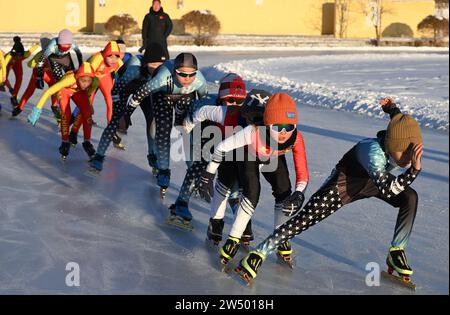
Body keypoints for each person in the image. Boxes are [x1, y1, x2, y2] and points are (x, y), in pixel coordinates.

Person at [235, 98, 423, 284]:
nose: (408, 159)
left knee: (410, 197)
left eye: (410, 153)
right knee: (302, 221)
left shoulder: (398, 137)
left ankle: (396, 251)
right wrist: (413, 171)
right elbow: (389, 191)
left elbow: (399, 122)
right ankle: (258, 253)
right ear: (391, 145)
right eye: (404, 154)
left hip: (372, 182)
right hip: (342, 186)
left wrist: (392, 108)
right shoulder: (371, 152)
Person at [198, 93, 310, 267]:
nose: (283, 133)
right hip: (246, 154)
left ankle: (281, 235)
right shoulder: (252, 132)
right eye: (277, 127)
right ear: (267, 124)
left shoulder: (296, 137)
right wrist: (209, 173)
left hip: (272, 156)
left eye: (289, 127)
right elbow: (221, 147)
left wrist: (299, 193)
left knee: (284, 190)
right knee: (249, 191)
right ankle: (226, 233)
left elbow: (302, 171)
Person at [167, 73, 248, 230]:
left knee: (233, 182)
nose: (234, 105)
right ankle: (181, 204)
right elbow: (188, 121)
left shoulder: (244, 113)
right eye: (230, 100)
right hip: (204, 138)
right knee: (198, 166)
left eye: (239, 101)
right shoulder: (207, 105)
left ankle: (242, 218)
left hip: (229, 145)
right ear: (220, 99)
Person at [126, 52, 208, 197]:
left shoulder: (200, 81)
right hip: (161, 94)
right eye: (182, 74)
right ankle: (163, 169)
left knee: (186, 131)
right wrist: (126, 115)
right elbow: (139, 95)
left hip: (185, 97)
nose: (187, 79)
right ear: (175, 71)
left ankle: (193, 170)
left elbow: (206, 106)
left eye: (191, 74)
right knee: (162, 131)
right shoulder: (161, 78)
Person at [88, 43, 168, 173]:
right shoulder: (134, 69)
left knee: (153, 120)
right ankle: (99, 156)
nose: (156, 69)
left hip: (146, 90)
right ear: (145, 63)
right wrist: (123, 115)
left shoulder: (163, 71)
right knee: (115, 121)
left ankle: (152, 155)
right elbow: (115, 91)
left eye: (159, 65)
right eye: (152, 64)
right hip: (124, 89)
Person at [27, 62, 99, 160]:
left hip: (78, 91)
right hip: (64, 90)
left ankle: (87, 142)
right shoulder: (70, 79)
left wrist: (88, 106)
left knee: (87, 112)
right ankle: (65, 142)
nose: (86, 84)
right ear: (78, 78)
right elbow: (48, 92)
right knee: (66, 114)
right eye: (83, 80)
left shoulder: (95, 82)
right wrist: (37, 110)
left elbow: (88, 94)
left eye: (88, 81)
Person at [69, 41, 124, 147]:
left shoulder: (119, 63)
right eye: (110, 56)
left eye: (116, 56)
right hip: (90, 78)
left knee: (110, 101)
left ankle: (111, 130)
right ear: (105, 55)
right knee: (86, 106)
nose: (113, 59)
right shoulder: (96, 60)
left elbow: (123, 77)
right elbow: (85, 77)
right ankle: (74, 132)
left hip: (104, 77)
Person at [12, 34, 59, 120]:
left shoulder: (40, 54)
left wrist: (37, 64)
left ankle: (19, 108)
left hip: (38, 73)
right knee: (54, 88)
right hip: (49, 74)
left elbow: (30, 64)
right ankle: (55, 106)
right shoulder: (55, 53)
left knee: (29, 91)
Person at [3, 36, 40, 107]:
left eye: (20, 56)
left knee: (19, 78)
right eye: (17, 56)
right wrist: (10, 88)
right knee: (3, 79)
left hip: (17, 64)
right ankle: (12, 91)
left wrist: (37, 45)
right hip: (8, 64)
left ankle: (14, 97)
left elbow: (30, 50)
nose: (19, 57)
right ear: (14, 54)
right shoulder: (8, 57)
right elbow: (3, 75)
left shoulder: (25, 54)